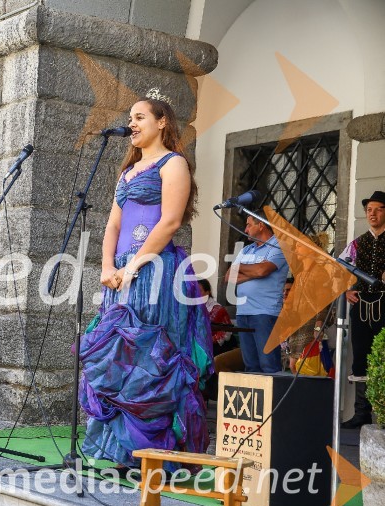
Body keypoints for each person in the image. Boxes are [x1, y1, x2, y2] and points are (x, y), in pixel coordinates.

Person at [77, 93, 213, 470]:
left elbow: (169, 222)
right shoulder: (128, 171)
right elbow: (113, 225)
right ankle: (124, 452)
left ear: (162, 122)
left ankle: (157, 456)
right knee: (122, 357)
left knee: (153, 357)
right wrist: (107, 266)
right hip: (121, 272)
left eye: (139, 117)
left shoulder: (174, 164)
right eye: (130, 118)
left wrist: (133, 266)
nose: (132, 124)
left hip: (154, 270)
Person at [341, 191, 385, 428]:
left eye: (378, 209)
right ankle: (362, 414)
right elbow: (339, 270)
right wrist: (346, 290)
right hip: (360, 308)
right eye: (369, 210)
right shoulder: (357, 243)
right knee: (361, 357)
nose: (372, 214)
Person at [224, 214, 289, 373]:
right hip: (243, 312)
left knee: (269, 365)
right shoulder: (247, 249)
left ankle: (274, 398)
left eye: (248, 225)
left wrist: (241, 268)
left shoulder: (279, 245)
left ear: (261, 225)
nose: (245, 229)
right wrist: (254, 271)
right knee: (250, 366)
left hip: (265, 313)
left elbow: (262, 270)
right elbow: (229, 277)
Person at [199, 279, 236, 356]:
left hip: (218, 345)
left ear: (207, 292)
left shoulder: (217, 309)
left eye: (199, 291)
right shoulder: (194, 308)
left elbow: (226, 331)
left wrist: (208, 340)